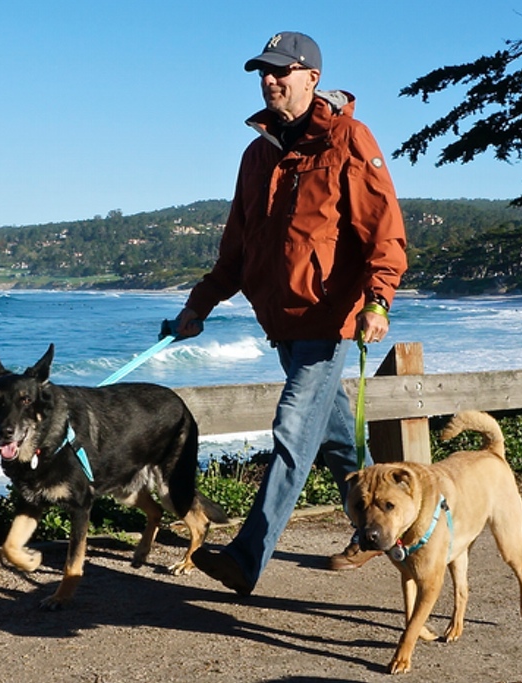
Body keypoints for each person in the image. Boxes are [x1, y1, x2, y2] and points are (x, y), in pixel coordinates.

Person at [171, 31, 407, 596]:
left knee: (292, 432)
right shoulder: (256, 156)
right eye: (263, 72)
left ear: (312, 78)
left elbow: (383, 230)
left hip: (330, 322)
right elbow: (237, 249)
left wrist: (378, 300)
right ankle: (396, 534)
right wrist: (198, 305)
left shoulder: (348, 139)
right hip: (281, 324)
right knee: (337, 444)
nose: (270, 80)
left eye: (281, 71)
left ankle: (246, 558)